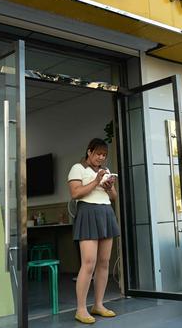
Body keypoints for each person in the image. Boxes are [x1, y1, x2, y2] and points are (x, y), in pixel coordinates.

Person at [67, 138, 120, 324]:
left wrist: (108, 186)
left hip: (105, 212)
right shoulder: (77, 168)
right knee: (88, 262)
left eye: (104, 155)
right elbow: (75, 193)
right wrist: (96, 181)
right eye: (98, 154)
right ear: (89, 152)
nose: (101, 158)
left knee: (104, 262)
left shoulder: (104, 171)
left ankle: (98, 304)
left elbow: (113, 197)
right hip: (87, 212)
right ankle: (81, 309)